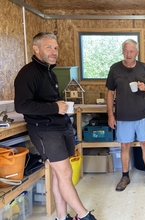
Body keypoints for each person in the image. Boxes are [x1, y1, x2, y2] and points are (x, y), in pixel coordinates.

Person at [14, 32, 96, 220]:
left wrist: (59, 107)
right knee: (65, 173)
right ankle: (84, 216)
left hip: (60, 127)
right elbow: (22, 105)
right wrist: (54, 106)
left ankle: (61, 217)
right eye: (48, 47)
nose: (54, 51)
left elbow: (47, 101)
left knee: (61, 176)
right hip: (45, 130)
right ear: (36, 49)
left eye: (56, 48)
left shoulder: (49, 72)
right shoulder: (28, 73)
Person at [106, 39, 145, 191]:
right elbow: (109, 92)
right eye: (126, 51)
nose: (128, 54)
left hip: (142, 114)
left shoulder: (144, 68)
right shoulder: (115, 68)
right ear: (123, 51)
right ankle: (125, 176)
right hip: (123, 115)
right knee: (124, 146)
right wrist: (110, 114)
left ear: (137, 52)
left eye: (131, 51)